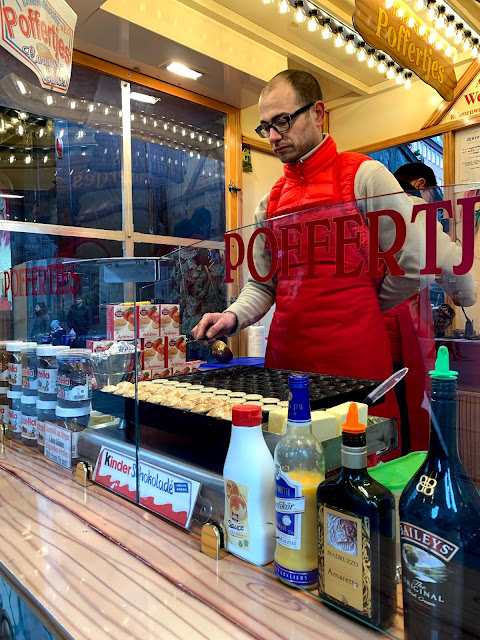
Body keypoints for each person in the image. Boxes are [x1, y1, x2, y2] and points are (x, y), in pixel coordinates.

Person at [192, 70, 441, 438]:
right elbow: (263, 286)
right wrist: (232, 317)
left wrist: (368, 301)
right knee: (288, 476)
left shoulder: (365, 177)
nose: (274, 136)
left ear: (318, 113)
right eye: (265, 127)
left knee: (356, 472)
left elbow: (419, 263)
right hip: (286, 368)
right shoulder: (268, 204)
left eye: (282, 121)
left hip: (356, 363)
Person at [384, 161, 476, 451]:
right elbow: (458, 273)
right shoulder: (414, 211)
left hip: (360, 340)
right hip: (402, 343)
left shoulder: (365, 212)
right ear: (421, 185)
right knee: (408, 428)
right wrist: (463, 297)